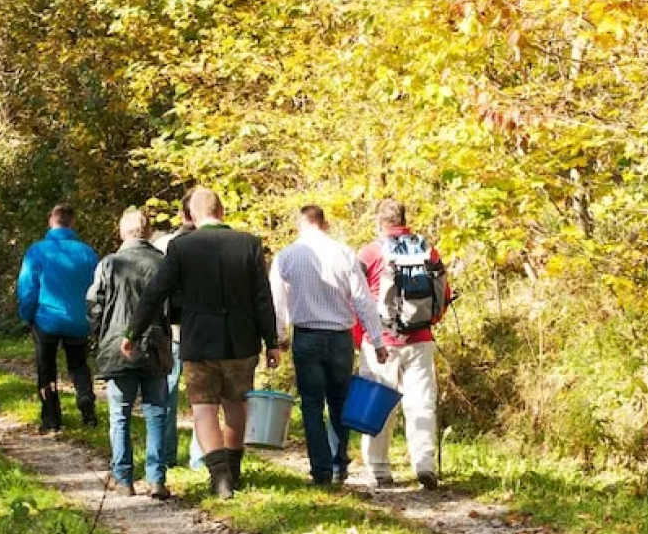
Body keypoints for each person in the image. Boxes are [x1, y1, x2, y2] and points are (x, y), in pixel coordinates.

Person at [122, 187, 280, 499]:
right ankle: (234, 469)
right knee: (236, 403)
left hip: (198, 340)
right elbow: (263, 297)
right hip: (241, 340)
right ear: (221, 212)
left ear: (193, 216)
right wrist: (271, 341)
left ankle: (219, 477)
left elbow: (156, 292)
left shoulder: (182, 247)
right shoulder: (249, 243)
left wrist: (132, 332)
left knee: (203, 407)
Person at [270, 205, 389, 486]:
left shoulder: (286, 256)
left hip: (306, 335)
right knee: (339, 402)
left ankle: (320, 470)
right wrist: (377, 339)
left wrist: (279, 336)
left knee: (311, 404)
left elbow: (277, 301)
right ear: (325, 223)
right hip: (339, 337)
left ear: (301, 224)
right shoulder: (344, 252)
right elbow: (362, 299)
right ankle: (339, 464)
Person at [356, 199, 452, 490]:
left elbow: (355, 297)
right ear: (404, 220)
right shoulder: (427, 250)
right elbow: (443, 294)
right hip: (421, 339)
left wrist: (358, 337)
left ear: (379, 222)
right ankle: (424, 464)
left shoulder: (371, 253)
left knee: (377, 403)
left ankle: (379, 469)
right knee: (421, 404)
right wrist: (427, 322)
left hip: (381, 341)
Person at [89, 209, 174, 499]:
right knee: (156, 412)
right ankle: (156, 479)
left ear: (122, 232)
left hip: (117, 346)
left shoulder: (110, 264)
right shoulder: (163, 263)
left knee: (120, 414)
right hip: (156, 346)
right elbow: (173, 307)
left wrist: (97, 336)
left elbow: (95, 304)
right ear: (149, 232)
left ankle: (123, 478)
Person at [16, 203, 99, 433]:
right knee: (79, 364)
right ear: (72, 223)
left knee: (46, 368)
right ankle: (85, 398)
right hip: (78, 319)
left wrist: (27, 315)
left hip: (47, 320)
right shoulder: (87, 252)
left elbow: (27, 288)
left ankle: (51, 418)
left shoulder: (37, 251)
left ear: (50, 221)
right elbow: (98, 287)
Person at [152, 194, 198, 470]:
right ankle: (199, 457)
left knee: (166, 393)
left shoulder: (162, 245)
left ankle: (167, 454)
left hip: (171, 331)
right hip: (205, 332)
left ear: (182, 215)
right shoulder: (215, 247)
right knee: (204, 398)